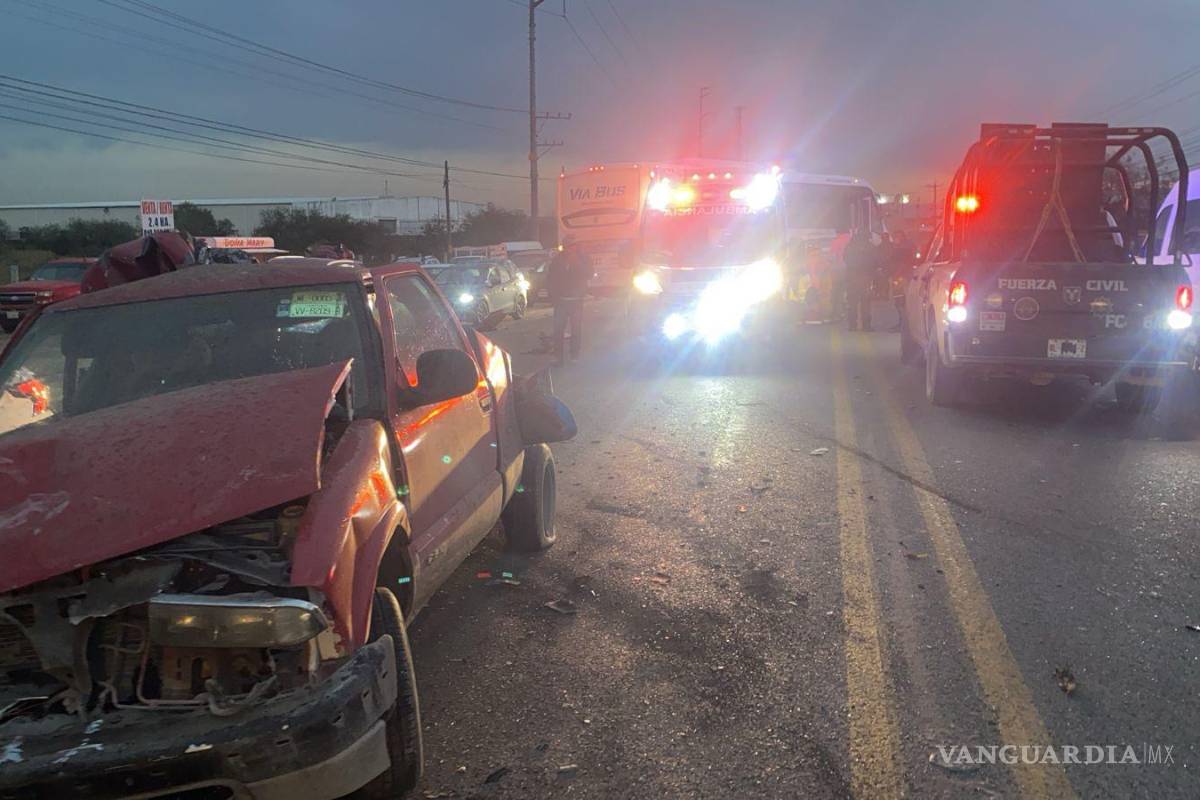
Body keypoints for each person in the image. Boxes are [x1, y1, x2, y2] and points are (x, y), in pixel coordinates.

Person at [547, 236, 590, 364]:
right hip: (561, 301)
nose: (570, 249)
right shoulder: (557, 260)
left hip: (576, 300)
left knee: (576, 328)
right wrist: (553, 296)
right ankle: (558, 357)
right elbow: (551, 278)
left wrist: (576, 262)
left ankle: (574, 354)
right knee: (558, 329)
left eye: (573, 246)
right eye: (568, 247)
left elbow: (589, 274)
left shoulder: (583, 259)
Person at [843, 229, 878, 331]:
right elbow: (875, 261)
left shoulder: (850, 246)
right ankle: (866, 325)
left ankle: (852, 325)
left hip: (852, 277)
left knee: (852, 302)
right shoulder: (870, 247)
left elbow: (845, 259)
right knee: (865, 302)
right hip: (865, 278)